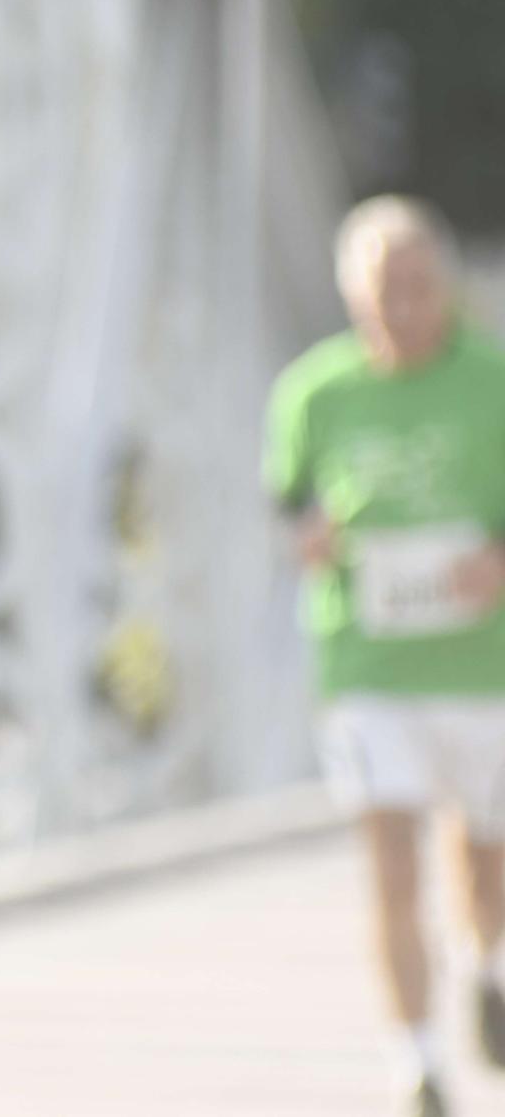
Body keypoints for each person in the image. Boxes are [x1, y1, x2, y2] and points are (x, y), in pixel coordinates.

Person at [265, 195, 505, 1117]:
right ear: (352, 296)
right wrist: (310, 537)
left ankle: (489, 963)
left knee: (483, 862)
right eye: (381, 291)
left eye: (416, 286)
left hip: (481, 663)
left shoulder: (491, 380)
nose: (401, 308)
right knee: (392, 860)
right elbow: (286, 502)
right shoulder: (314, 393)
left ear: (442, 286)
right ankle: (415, 1059)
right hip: (369, 664)